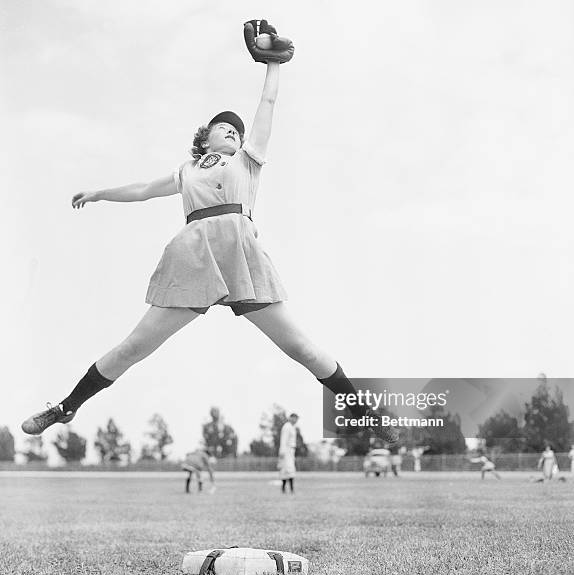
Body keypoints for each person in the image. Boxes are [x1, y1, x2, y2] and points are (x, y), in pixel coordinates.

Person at [20, 20, 398, 446]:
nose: (233, 130)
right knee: (133, 348)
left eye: (237, 129)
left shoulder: (248, 160)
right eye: (225, 127)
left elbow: (268, 103)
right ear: (206, 138)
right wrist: (101, 193)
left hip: (240, 256)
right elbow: (144, 190)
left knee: (302, 349)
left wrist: (272, 63)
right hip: (192, 257)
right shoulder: (187, 171)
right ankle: (67, 406)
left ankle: (365, 413)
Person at [278, 413, 298, 493]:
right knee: (288, 469)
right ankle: (289, 489)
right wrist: (282, 451)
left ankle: (287, 489)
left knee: (288, 470)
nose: (296, 420)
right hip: (286, 450)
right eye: (295, 418)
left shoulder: (292, 427)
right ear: (291, 418)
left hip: (291, 450)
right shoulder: (287, 427)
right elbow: (283, 440)